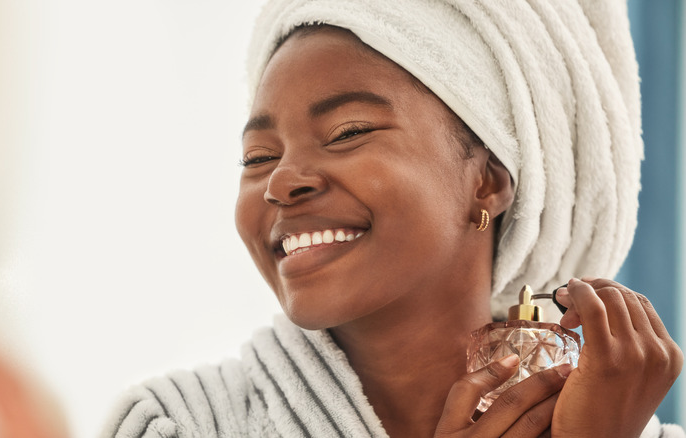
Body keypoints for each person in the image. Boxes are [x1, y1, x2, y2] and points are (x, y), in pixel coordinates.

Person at [104, 0, 684, 436]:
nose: (281, 180)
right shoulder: (174, 425)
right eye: (259, 157)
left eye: (348, 132)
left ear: (486, 181)